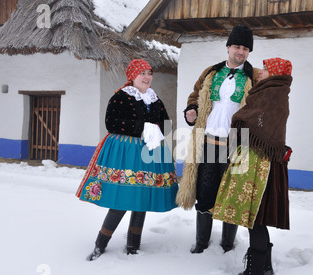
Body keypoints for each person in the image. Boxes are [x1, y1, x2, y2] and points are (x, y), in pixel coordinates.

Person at [76, 59, 178, 261]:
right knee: (123, 198)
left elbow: (166, 125)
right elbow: (111, 123)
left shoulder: (154, 99)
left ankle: (133, 245)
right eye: (143, 73)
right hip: (125, 152)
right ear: (132, 76)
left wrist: (156, 129)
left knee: (142, 198)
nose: (147, 78)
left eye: (150, 73)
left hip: (150, 152)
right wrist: (142, 127)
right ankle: (100, 244)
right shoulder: (121, 97)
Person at [176, 25, 260, 254]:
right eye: (237, 46)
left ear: (248, 51)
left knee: (231, 194)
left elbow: (261, 108)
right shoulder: (211, 72)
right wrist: (191, 111)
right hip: (208, 143)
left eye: (245, 48)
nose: (240, 51)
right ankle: (202, 241)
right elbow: (194, 96)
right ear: (228, 47)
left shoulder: (254, 77)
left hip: (236, 147)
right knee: (205, 191)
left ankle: (227, 243)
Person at [212, 58, 293, 275]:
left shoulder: (272, 94)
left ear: (275, 73)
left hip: (259, 163)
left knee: (254, 216)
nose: (261, 72)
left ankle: (256, 269)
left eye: (266, 69)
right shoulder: (272, 91)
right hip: (254, 157)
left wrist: (238, 116)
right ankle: (263, 265)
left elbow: (256, 121)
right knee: (256, 216)